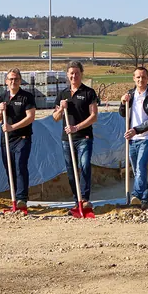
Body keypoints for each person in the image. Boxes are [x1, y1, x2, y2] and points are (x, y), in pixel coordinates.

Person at [53, 60, 100, 217]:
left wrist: (76, 127)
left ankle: (85, 198)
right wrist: (61, 109)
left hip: (84, 137)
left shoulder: (89, 93)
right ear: (67, 75)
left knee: (85, 165)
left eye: (77, 73)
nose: (74, 76)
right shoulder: (63, 94)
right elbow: (55, 118)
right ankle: (77, 200)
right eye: (71, 73)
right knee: (71, 171)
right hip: (66, 140)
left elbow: (94, 116)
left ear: (81, 74)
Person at [119, 66, 148, 210]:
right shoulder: (130, 95)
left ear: (147, 78)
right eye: (138, 77)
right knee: (138, 170)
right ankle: (144, 200)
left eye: (143, 77)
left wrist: (136, 130)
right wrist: (122, 102)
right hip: (132, 139)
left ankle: (136, 195)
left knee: (140, 166)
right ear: (134, 78)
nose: (141, 79)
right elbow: (123, 114)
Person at [0, 68, 36, 214]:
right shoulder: (2, 97)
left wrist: (12, 127)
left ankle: (21, 199)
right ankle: (13, 197)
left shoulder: (27, 97)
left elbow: (30, 117)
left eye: (16, 79)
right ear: (6, 81)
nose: (13, 81)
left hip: (22, 138)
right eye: (11, 79)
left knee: (20, 166)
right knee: (9, 169)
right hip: (6, 140)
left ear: (20, 81)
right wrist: (0, 111)